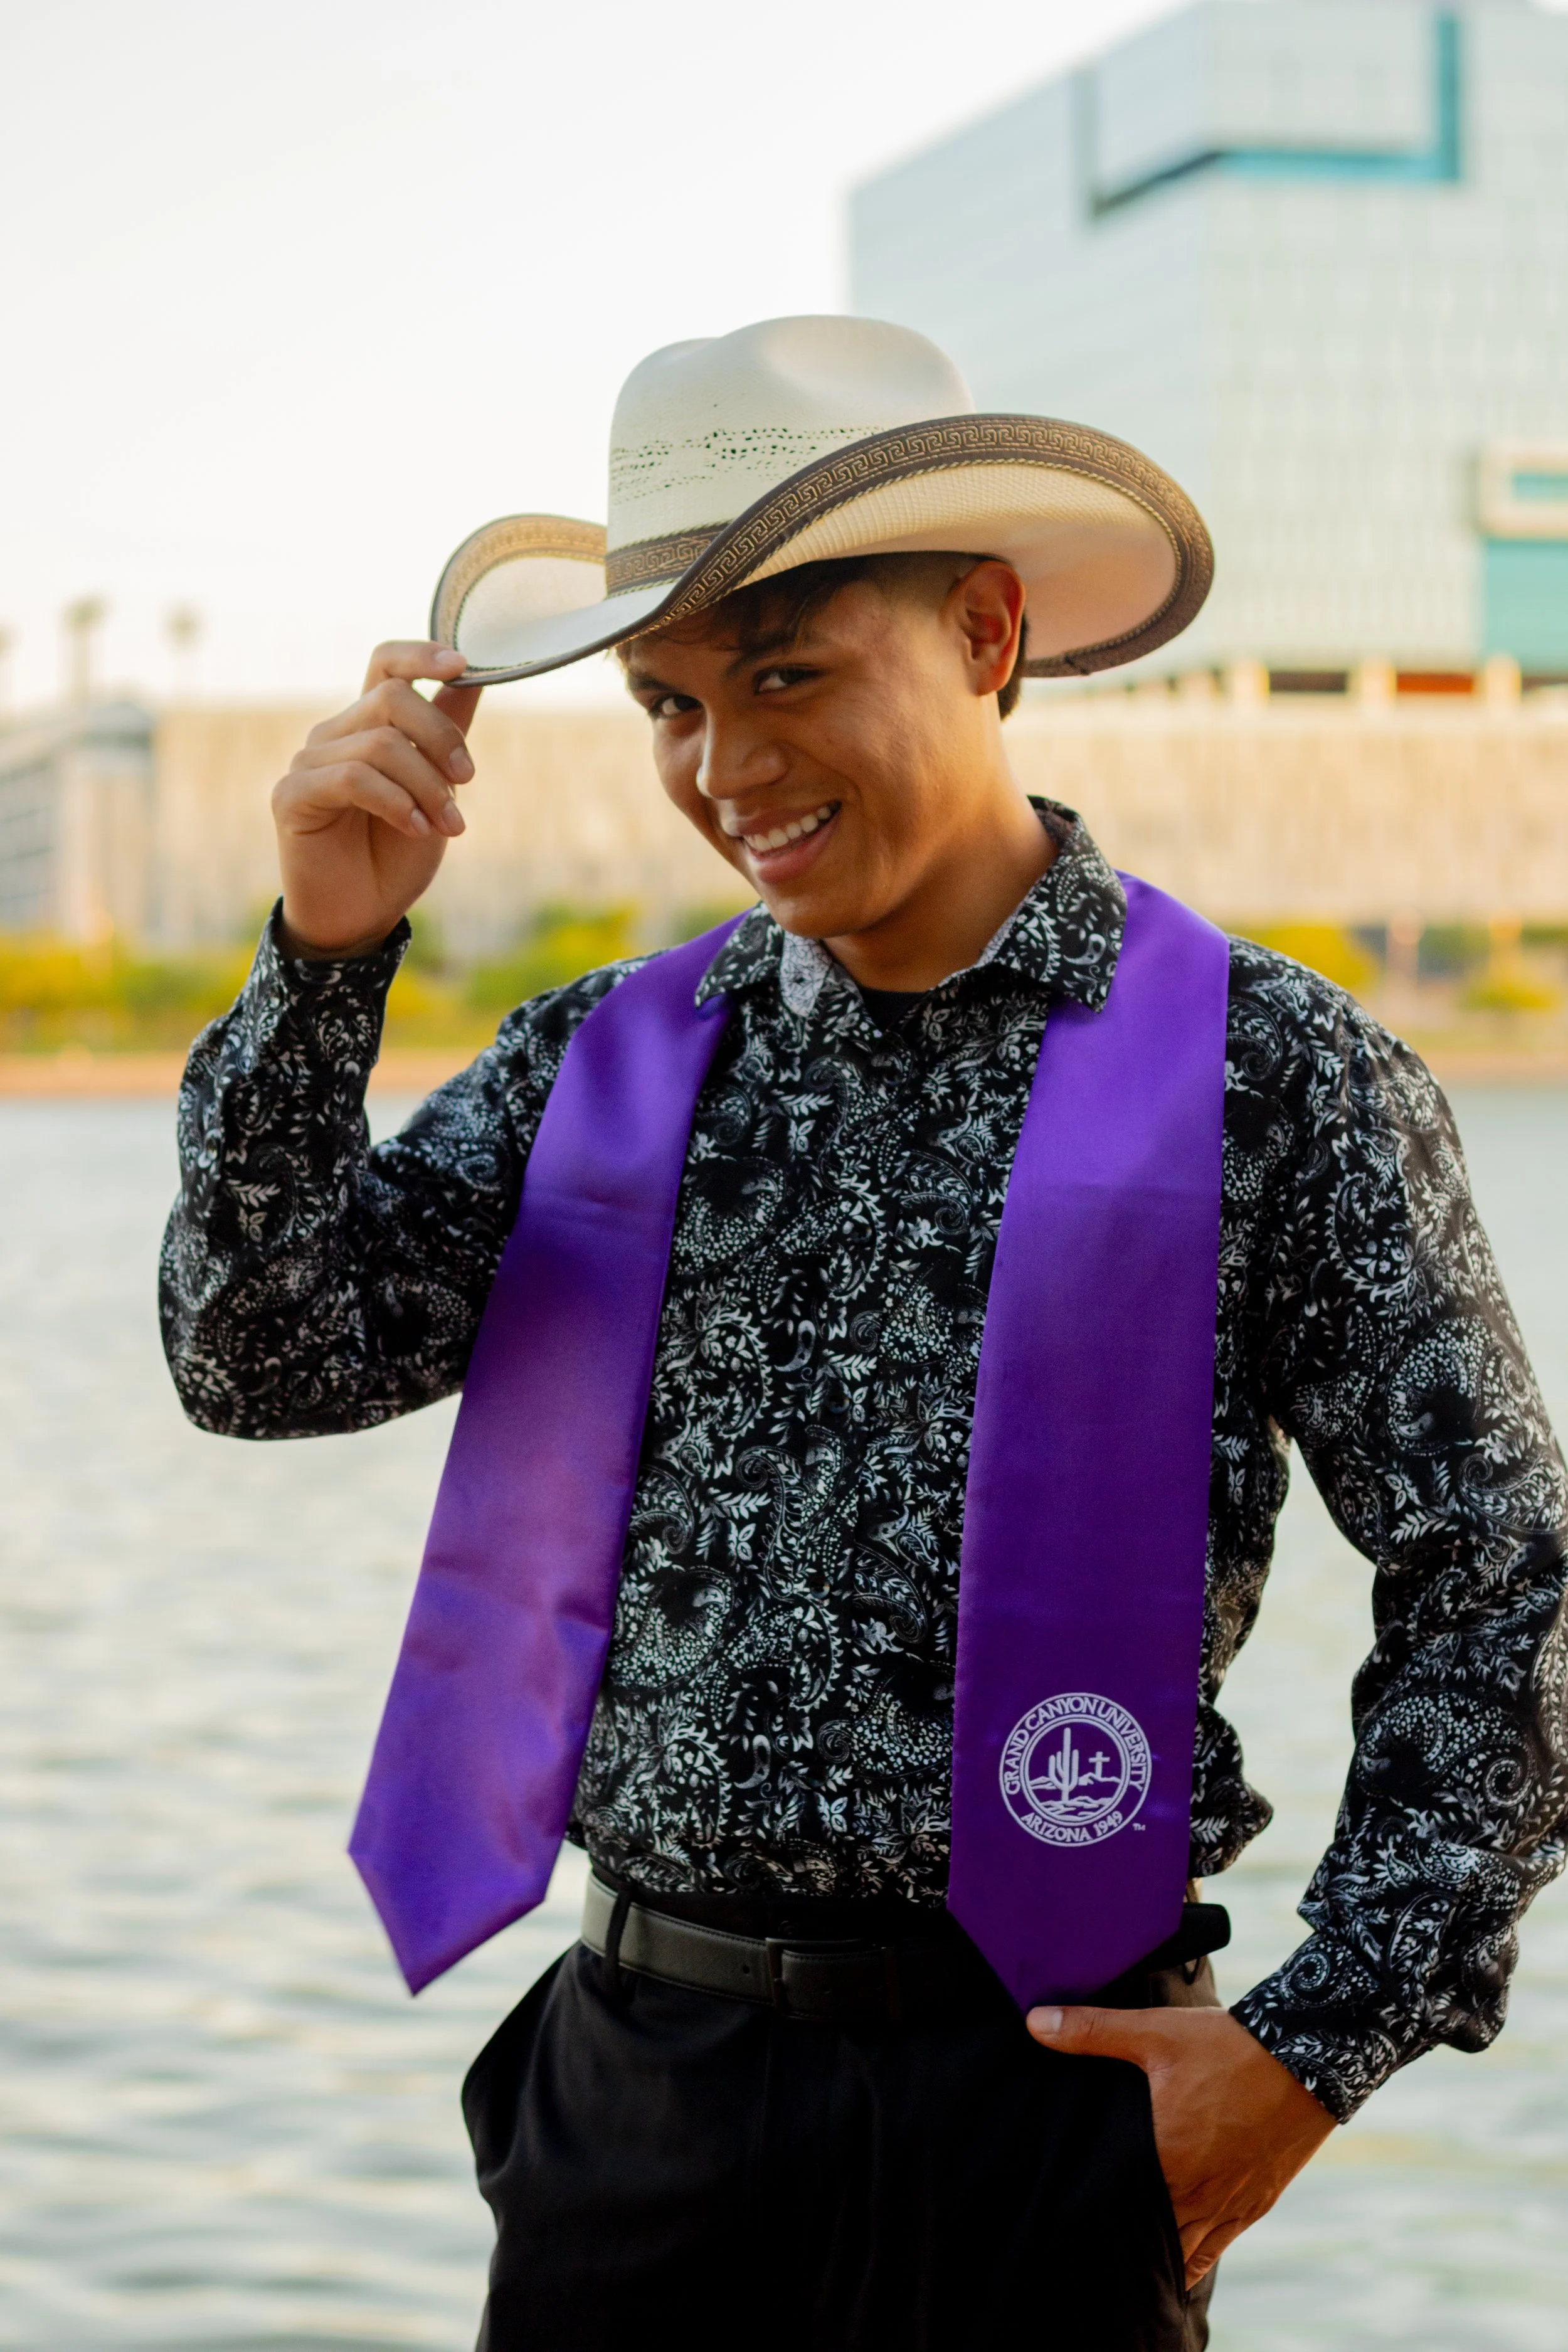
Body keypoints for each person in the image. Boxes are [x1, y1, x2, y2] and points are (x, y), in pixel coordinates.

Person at [161, 316, 1568, 2352]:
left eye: (788, 675)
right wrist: (320, 958)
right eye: (668, 701)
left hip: (1050, 2102)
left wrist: (1312, 2045)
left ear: (985, 631)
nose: (725, 768)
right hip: (637, 2099)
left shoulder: (1270, 1075)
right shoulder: (603, 1064)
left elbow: (1503, 1572)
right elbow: (258, 1359)